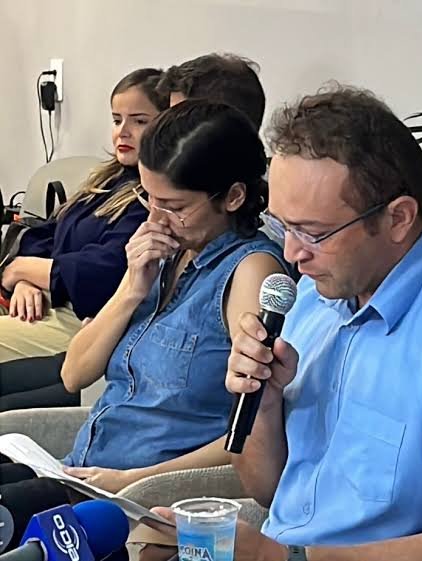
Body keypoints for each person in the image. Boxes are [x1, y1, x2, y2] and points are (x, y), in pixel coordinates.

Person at [216, 85, 422, 560]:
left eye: (313, 233)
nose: (291, 253)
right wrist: (262, 403)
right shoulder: (313, 297)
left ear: (398, 218)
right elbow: (271, 491)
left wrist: (288, 559)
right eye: (284, 226)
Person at [0, 98, 287, 551]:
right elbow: (74, 373)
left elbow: (248, 435)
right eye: (147, 197)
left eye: (174, 205)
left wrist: (133, 479)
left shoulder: (250, 272)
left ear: (233, 197)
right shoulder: (167, 251)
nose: (155, 217)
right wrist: (133, 286)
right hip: (79, 470)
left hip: (134, 495)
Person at [0, 67, 169, 410]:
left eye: (139, 121)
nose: (123, 131)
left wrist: (21, 269)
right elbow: (46, 232)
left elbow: (104, 271)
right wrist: (25, 281)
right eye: (117, 119)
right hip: (42, 303)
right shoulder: (107, 179)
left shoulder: (150, 200)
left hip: (82, 322)